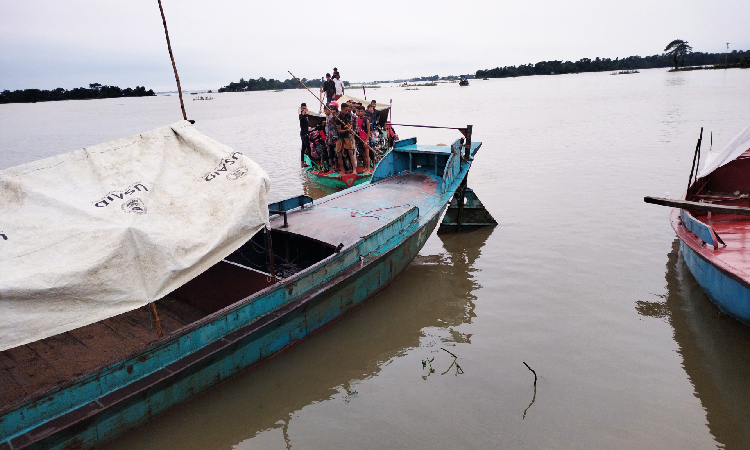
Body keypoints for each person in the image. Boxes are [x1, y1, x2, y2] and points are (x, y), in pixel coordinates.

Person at [336, 103, 357, 174]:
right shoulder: (338, 118)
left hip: (347, 136)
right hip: (340, 136)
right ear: (341, 109)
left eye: (347, 110)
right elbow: (339, 130)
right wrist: (346, 130)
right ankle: (342, 171)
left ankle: (354, 170)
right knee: (339, 154)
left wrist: (349, 127)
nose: (347, 111)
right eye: (345, 110)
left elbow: (350, 123)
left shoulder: (348, 115)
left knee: (350, 152)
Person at [355, 106, 371, 174]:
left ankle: (368, 169)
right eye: (359, 111)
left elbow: (369, 131)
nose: (360, 112)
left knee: (367, 156)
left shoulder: (366, 120)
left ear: (364, 112)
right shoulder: (357, 119)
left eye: (362, 111)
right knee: (363, 155)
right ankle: (365, 168)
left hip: (365, 139)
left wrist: (366, 141)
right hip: (360, 139)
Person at [325, 102, 339, 172]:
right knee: (331, 154)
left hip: (337, 138)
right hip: (331, 138)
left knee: (337, 154)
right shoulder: (329, 118)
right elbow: (328, 129)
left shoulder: (338, 117)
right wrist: (327, 137)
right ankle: (331, 168)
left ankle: (336, 167)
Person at [299, 103, 310, 167]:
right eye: (303, 108)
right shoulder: (301, 116)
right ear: (301, 109)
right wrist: (303, 112)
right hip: (303, 134)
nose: (304, 110)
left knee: (303, 148)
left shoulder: (306, 116)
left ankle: (303, 162)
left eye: (305, 108)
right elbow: (301, 118)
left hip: (307, 133)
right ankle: (308, 162)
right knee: (307, 148)